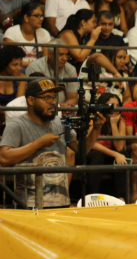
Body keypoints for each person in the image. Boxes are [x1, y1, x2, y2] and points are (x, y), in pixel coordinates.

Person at [0, 79, 105, 208]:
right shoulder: (17, 125)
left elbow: (81, 151)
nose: (53, 102)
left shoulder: (60, 123)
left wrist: (96, 129)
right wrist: (38, 143)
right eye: (47, 98)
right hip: (29, 204)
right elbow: (4, 158)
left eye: (54, 97)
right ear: (31, 100)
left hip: (61, 201)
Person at [85, 93, 128, 196]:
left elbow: (119, 147)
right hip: (93, 154)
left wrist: (113, 124)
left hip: (109, 154)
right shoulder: (93, 118)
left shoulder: (120, 121)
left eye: (118, 105)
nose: (116, 108)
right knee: (98, 156)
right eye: (112, 105)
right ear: (103, 106)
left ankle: (121, 197)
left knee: (123, 155)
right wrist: (115, 154)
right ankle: (91, 196)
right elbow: (91, 144)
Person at [25, 39, 78, 108]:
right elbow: (38, 97)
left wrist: (67, 108)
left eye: (66, 54)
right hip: (41, 109)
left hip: (64, 111)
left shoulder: (71, 69)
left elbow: (72, 97)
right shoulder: (35, 67)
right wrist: (61, 106)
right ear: (50, 54)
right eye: (61, 54)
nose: (64, 58)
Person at [3, 3, 51, 67]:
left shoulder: (44, 33)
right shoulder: (11, 32)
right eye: (37, 16)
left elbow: (46, 58)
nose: (41, 19)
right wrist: (34, 65)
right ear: (26, 18)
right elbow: (11, 60)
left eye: (41, 16)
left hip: (38, 69)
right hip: (18, 69)